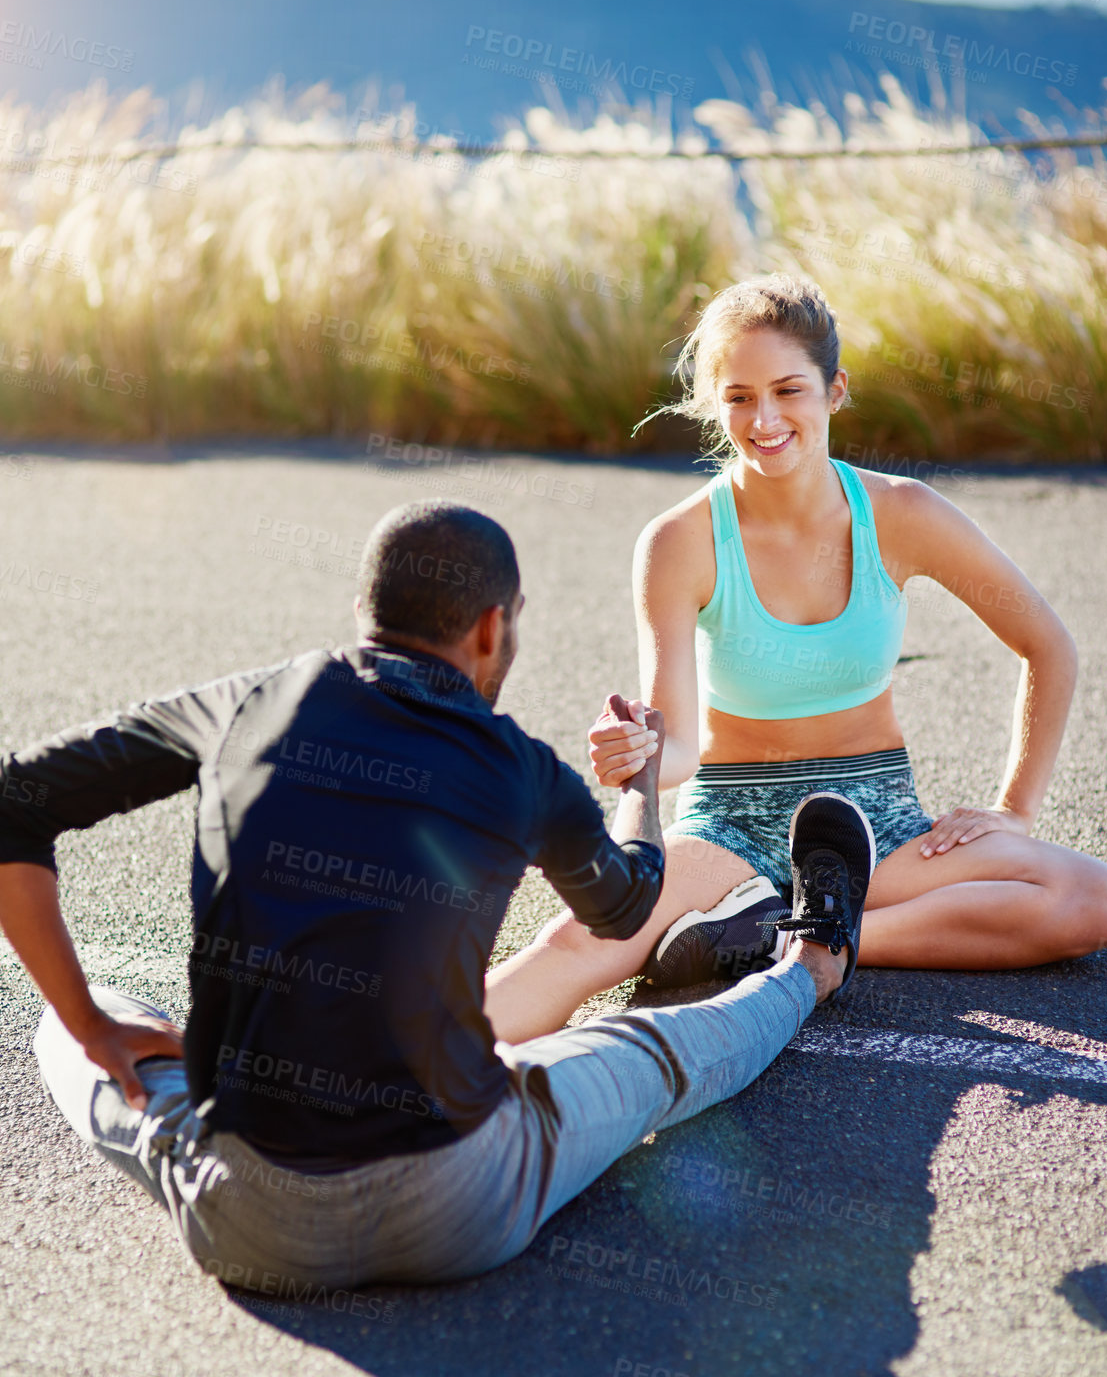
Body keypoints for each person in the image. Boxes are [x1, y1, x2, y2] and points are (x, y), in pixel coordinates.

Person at [0, 501, 873, 1293]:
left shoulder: (245, 704)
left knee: (67, 1027)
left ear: (362, 617)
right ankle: (812, 964)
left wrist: (89, 1024)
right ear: (493, 628)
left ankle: (164, 1046)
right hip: (459, 1205)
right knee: (654, 1051)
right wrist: (640, 785)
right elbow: (624, 906)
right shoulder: (518, 767)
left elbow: (14, 804)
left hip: (249, 1225)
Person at [483, 275, 1107, 1044]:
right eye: (737, 397)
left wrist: (1014, 810)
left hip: (875, 827)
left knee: (1096, 901)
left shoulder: (902, 514)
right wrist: (637, 756)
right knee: (575, 944)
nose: (763, 419)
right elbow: (681, 744)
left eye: (788, 389)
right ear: (714, 404)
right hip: (730, 826)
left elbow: (1046, 644)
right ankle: (378, 1068)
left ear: (834, 390)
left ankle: (796, 937)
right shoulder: (678, 541)